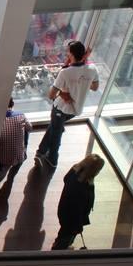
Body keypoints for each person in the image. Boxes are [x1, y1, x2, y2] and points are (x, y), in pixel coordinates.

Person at [34, 40, 98, 173]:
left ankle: (52, 160)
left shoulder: (65, 73)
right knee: (54, 126)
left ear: (72, 54)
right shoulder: (92, 69)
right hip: (76, 110)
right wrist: (81, 85)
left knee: (56, 134)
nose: (66, 53)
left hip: (61, 108)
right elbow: (95, 87)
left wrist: (63, 92)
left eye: (68, 51)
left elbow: (51, 95)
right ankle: (40, 151)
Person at [51, 154, 104, 250]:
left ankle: (59, 243)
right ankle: (59, 249)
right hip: (72, 221)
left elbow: (65, 179)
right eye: (98, 170)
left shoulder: (75, 171)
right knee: (67, 236)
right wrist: (79, 227)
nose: (99, 172)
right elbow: (77, 212)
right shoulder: (83, 189)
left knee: (63, 231)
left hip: (64, 211)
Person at [0, 98, 32, 189]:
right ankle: (14, 171)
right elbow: (30, 128)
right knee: (26, 131)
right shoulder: (20, 115)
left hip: (1, 157)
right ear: (12, 104)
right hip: (18, 156)